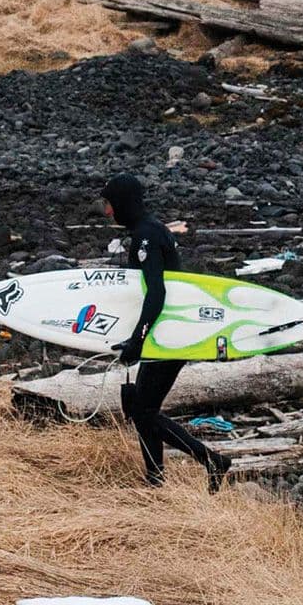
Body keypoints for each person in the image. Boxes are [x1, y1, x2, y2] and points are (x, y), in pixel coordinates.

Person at [101, 173, 233, 491]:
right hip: (167, 332)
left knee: (144, 411)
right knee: (143, 409)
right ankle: (155, 481)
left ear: (121, 204)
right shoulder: (151, 230)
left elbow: (157, 293)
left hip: (170, 334)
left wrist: (139, 339)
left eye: (108, 204)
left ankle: (210, 460)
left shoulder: (147, 236)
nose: (106, 212)